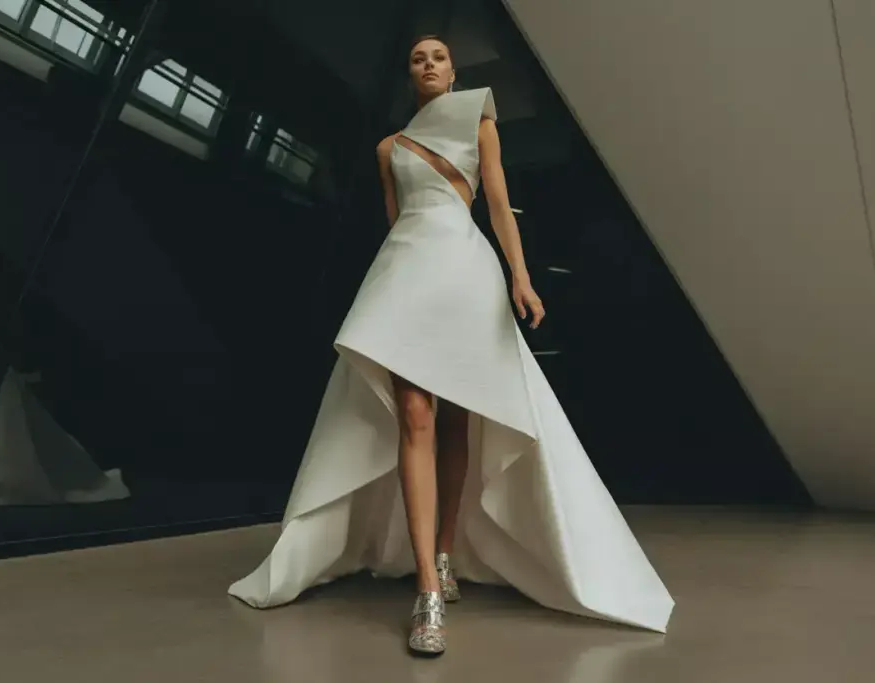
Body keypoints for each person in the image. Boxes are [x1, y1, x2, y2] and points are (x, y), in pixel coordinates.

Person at [229, 35, 674, 655]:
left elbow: (497, 205)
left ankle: (443, 556)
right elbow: (396, 222)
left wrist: (520, 275)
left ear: (454, 71)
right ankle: (427, 590)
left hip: (466, 270)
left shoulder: (477, 121)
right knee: (414, 413)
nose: (429, 64)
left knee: (459, 423)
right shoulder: (388, 148)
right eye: (418, 58)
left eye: (438, 56)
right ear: (410, 75)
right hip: (409, 269)